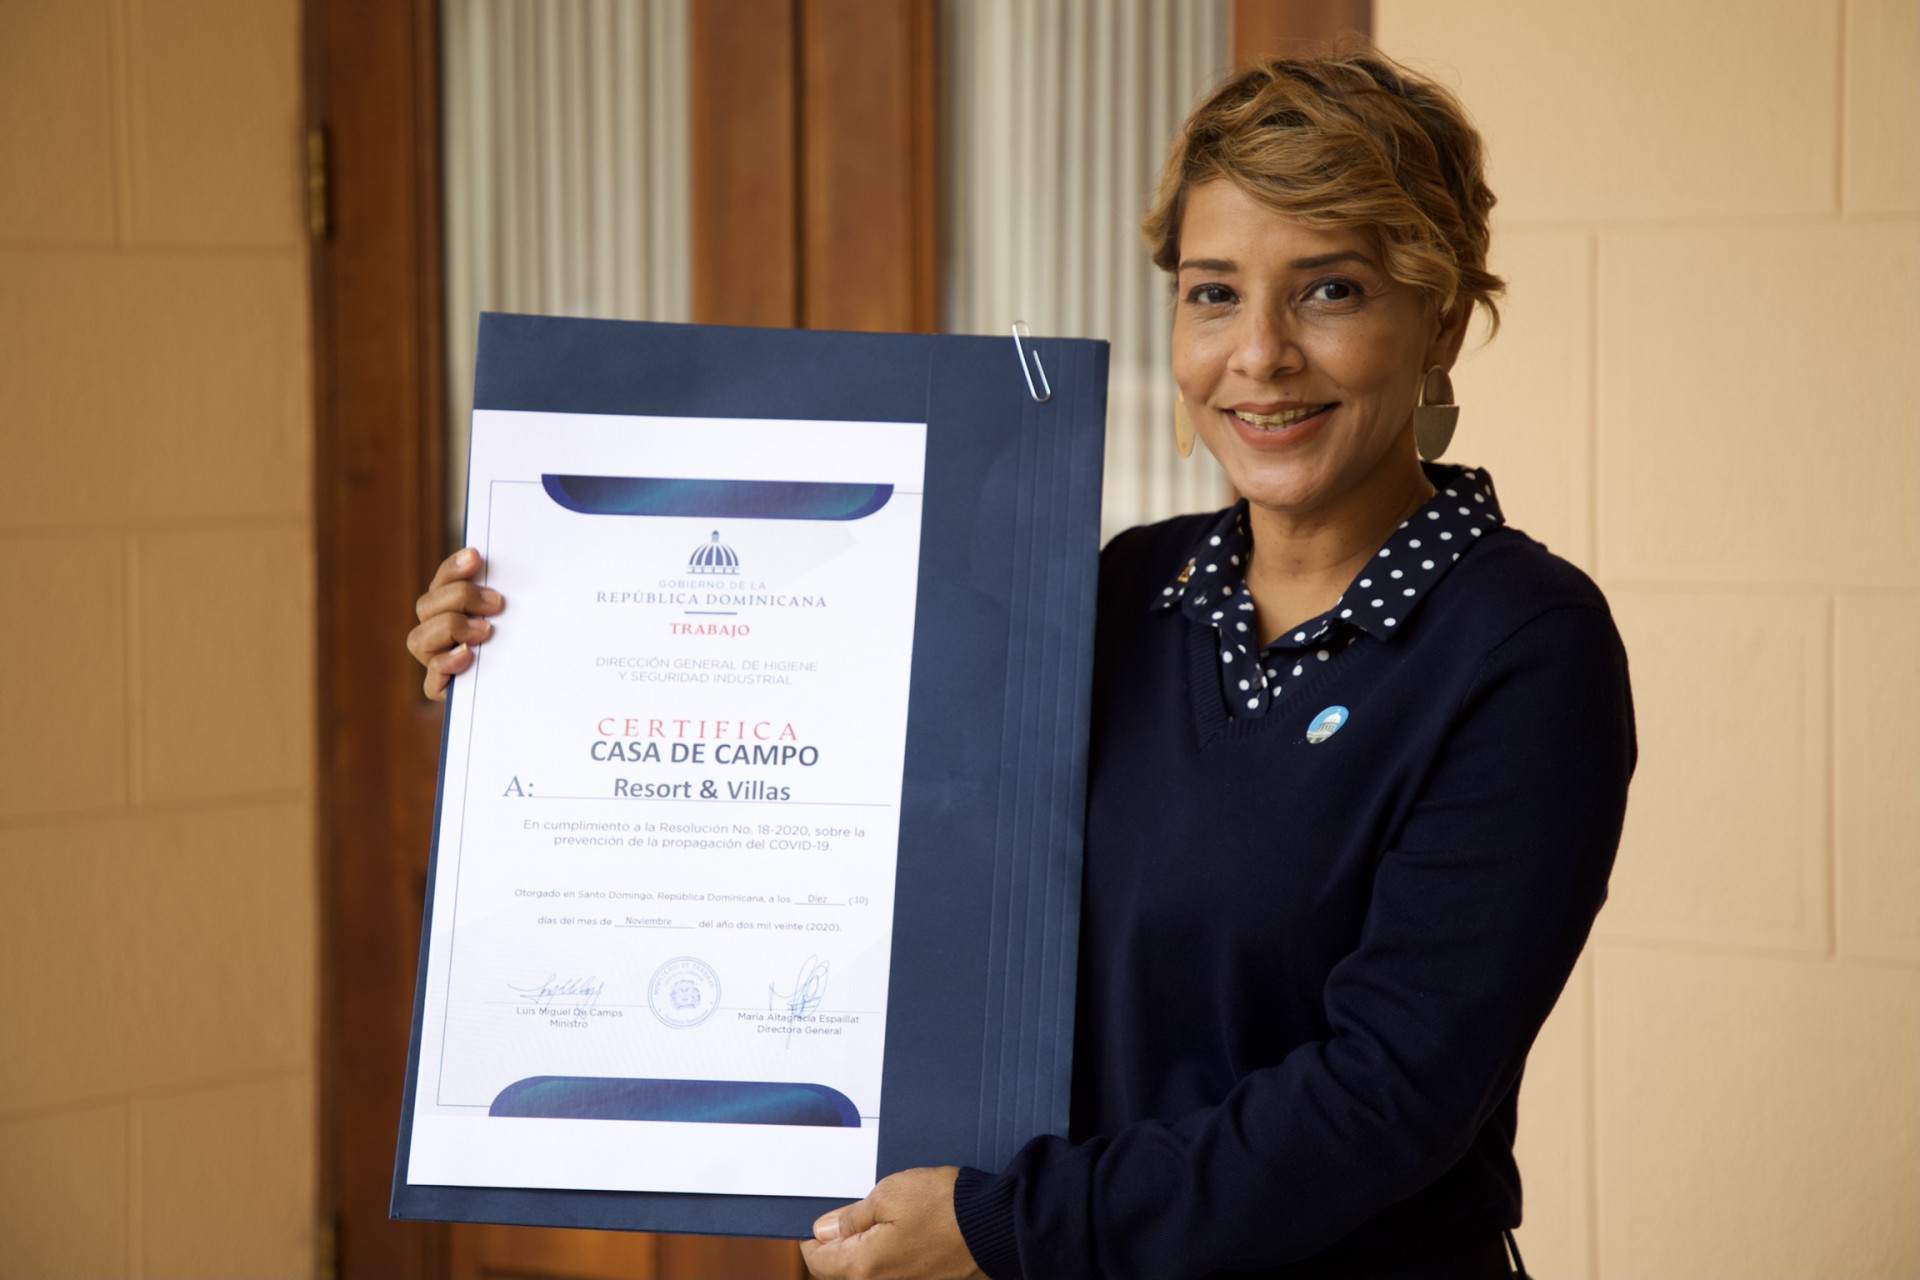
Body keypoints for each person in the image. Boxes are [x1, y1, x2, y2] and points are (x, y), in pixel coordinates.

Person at [410, 45, 1634, 1280]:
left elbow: (1389, 1095)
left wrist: (1009, 1228)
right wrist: (540, 665)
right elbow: (852, 829)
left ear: (1439, 317)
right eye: (1214, 293)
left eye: (1330, 290)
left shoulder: (1523, 646)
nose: (1259, 354)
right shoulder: (1121, 591)